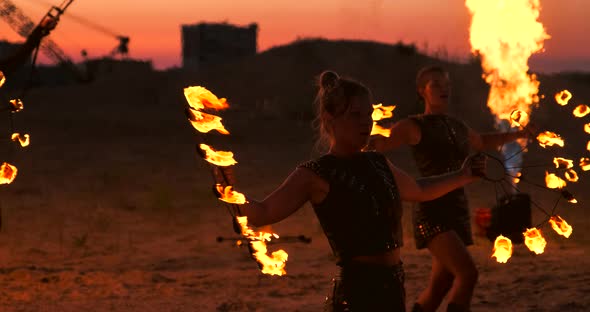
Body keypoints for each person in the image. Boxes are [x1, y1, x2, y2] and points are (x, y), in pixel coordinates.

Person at [220, 70, 486, 311]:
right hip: (356, 297)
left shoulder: (378, 162)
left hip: (394, 290)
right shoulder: (316, 173)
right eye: (355, 115)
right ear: (330, 119)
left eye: (368, 115)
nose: (365, 123)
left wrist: (463, 175)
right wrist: (229, 191)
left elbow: (418, 189)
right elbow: (263, 213)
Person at [370, 65, 533, 312]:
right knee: (468, 274)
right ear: (421, 91)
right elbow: (380, 144)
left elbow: (482, 141)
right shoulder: (414, 125)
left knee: (441, 283)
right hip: (432, 210)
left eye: (446, 84)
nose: (443, 88)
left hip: (457, 207)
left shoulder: (457, 125)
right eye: (435, 84)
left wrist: (520, 133)